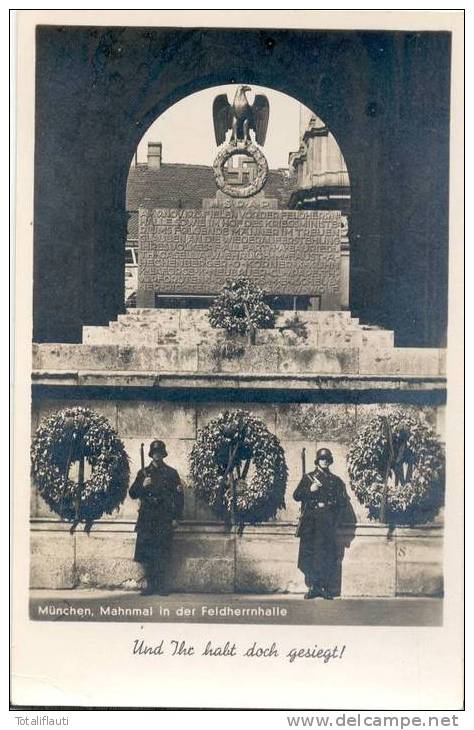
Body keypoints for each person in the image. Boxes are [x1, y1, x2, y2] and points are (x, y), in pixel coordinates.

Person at [129, 439, 184, 596]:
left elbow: (179, 497)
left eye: (160, 452)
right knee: (148, 553)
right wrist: (142, 485)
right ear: (151, 454)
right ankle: (150, 586)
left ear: (163, 454)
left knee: (162, 553)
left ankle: (161, 586)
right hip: (147, 519)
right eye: (154, 452)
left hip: (164, 519)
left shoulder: (171, 473)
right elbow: (132, 493)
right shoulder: (143, 473)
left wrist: (176, 518)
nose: (157, 455)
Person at [293, 447, 348, 600]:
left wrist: (335, 522)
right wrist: (310, 490)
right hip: (311, 522)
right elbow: (296, 496)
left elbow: (342, 503)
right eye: (322, 459)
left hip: (327, 522)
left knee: (326, 554)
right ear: (317, 461)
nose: (324, 462)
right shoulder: (309, 478)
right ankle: (313, 587)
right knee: (310, 553)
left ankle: (324, 587)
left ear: (330, 461)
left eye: (327, 459)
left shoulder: (336, 481)